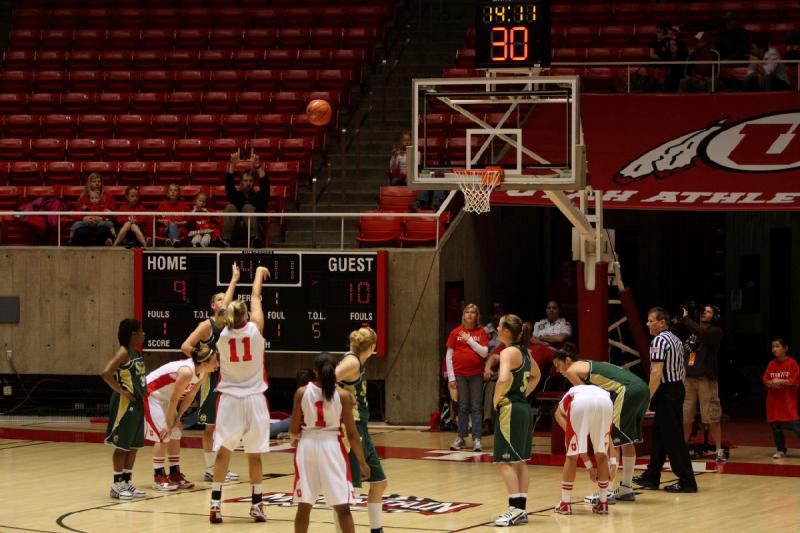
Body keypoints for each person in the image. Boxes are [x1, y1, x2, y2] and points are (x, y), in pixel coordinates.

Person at [209, 265, 271, 524]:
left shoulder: (221, 335)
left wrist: (233, 279)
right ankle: (256, 504)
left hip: (230, 400)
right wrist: (257, 274)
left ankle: (215, 504)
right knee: (253, 454)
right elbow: (255, 297)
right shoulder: (255, 329)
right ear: (246, 315)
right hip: (255, 398)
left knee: (223, 452)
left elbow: (223, 311)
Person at [553, 343, 649, 504]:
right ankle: (626, 487)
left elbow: (586, 394)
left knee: (611, 437)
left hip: (627, 391)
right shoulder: (590, 364)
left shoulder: (571, 370)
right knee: (626, 440)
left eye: (558, 365)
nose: (558, 370)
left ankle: (608, 490)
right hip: (642, 388)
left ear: (567, 360)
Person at [291, 352, 370, 533]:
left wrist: (295, 439)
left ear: (314, 371)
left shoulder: (301, 392)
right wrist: (362, 462)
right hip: (331, 447)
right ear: (334, 371)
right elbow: (351, 434)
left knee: (304, 505)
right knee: (342, 507)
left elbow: (293, 430)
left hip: (307, 445)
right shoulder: (343, 396)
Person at [180, 262, 240, 483]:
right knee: (210, 426)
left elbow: (231, 302)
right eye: (219, 299)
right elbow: (186, 346)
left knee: (225, 426)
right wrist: (204, 357)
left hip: (228, 378)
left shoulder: (229, 324)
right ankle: (209, 468)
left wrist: (234, 279)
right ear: (213, 305)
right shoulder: (206, 325)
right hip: (211, 378)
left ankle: (221, 467)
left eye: (225, 299)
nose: (223, 301)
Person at [633, 307, 698, 493]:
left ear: (662, 323)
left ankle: (687, 481)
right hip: (677, 388)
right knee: (660, 435)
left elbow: (656, 373)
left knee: (673, 437)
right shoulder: (676, 339)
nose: (648, 324)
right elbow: (683, 369)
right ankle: (652, 476)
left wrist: (646, 398)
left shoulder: (659, 340)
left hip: (666, 390)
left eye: (650, 320)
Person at [145, 344, 219, 492]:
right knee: (163, 434)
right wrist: (168, 423)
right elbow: (174, 398)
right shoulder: (186, 372)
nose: (218, 364)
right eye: (215, 361)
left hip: (166, 399)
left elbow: (190, 396)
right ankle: (158, 476)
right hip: (151, 394)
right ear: (204, 363)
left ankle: (174, 474)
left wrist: (178, 418)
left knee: (176, 433)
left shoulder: (202, 373)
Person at [336, 326, 387, 533]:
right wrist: (343, 395)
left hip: (362, 428)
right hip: (351, 427)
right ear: (372, 346)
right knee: (346, 492)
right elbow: (325, 381)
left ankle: (376, 530)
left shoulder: (356, 361)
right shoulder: (352, 361)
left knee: (380, 482)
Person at [492, 314, 540, 527]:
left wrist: (496, 399)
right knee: (519, 461)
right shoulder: (526, 354)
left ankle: (514, 509)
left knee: (504, 461)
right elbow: (536, 375)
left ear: (506, 331)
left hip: (510, 408)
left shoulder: (507, 352)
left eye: (499, 325)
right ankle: (520, 509)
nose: (496, 327)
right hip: (523, 407)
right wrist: (524, 394)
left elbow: (502, 379)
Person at [100, 318, 147, 499]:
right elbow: (105, 372)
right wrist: (122, 392)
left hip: (138, 403)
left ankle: (127, 482)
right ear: (133, 334)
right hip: (125, 404)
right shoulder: (123, 352)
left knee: (133, 446)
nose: (143, 334)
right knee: (122, 446)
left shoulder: (136, 352)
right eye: (140, 331)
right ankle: (116, 485)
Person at [553, 384, 614, 516]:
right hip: (606, 402)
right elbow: (609, 441)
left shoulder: (564, 405)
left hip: (581, 404)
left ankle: (565, 503)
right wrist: (613, 463)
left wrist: (589, 466)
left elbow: (576, 448)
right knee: (602, 453)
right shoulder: (580, 391)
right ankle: (603, 503)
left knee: (571, 456)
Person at [680, 304, 725, 462]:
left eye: (709, 312)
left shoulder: (715, 331)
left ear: (715, 316)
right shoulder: (689, 331)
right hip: (688, 378)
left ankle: (719, 449)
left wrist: (686, 319)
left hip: (706, 379)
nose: (705, 313)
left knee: (711, 415)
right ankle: (683, 447)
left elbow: (701, 333)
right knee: (686, 415)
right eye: (703, 310)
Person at [445, 303, 490, 451]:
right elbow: (449, 355)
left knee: (476, 406)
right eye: (467, 312)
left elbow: (484, 352)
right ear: (463, 315)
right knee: (463, 407)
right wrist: (451, 378)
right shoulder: (455, 332)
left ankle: (477, 438)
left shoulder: (481, 332)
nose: (470, 315)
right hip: (460, 375)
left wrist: (469, 340)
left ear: (477, 316)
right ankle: (461, 437)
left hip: (476, 374)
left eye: (473, 312)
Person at [221, 149, 270, 248]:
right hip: (237, 228)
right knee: (230, 207)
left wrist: (257, 166)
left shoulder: (259, 196)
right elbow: (229, 184)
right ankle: (225, 240)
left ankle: (254, 240)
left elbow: (265, 184)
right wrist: (232, 165)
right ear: (241, 182)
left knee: (248, 207)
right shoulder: (236, 196)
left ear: (254, 182)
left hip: (256, 228)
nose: (248, 183)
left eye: (250, 181)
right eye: (245, 180)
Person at [763, 337, 800, 459]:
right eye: (773, 347)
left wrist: (780, 381)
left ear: (785, 348)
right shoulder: (771, 364)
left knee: (795, 425)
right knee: (776, 427)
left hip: (788, 401)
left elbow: (793, 380)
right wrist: (771, 383)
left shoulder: (792, 363)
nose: (774, 349)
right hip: (774, 401)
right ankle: (780, 449)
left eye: (777, 346)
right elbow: (765, 380)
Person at [71, 172, 116, 246]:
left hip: (102, 224)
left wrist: (102, 218)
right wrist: (84, 218)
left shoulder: (108, 196)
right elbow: (77, 213)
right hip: (86, 224)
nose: (97, 183)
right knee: (82, 233)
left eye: (99, 181)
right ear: (89, 183)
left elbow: (113, 214)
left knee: (102, 232)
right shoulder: (83, 197)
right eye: (94, 181)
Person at [530, 300, 572, 371]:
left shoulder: (564, 324)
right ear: (546, 310)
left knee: (539, 350)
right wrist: (545, 343)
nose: (551, 310)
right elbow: (533, 340)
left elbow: (560, 339)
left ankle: (533, 375)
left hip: (556, 353)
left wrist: (541, 338)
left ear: (559, 310)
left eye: (554, 308)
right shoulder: (539, 323)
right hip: (539, 350)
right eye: (548, 308)